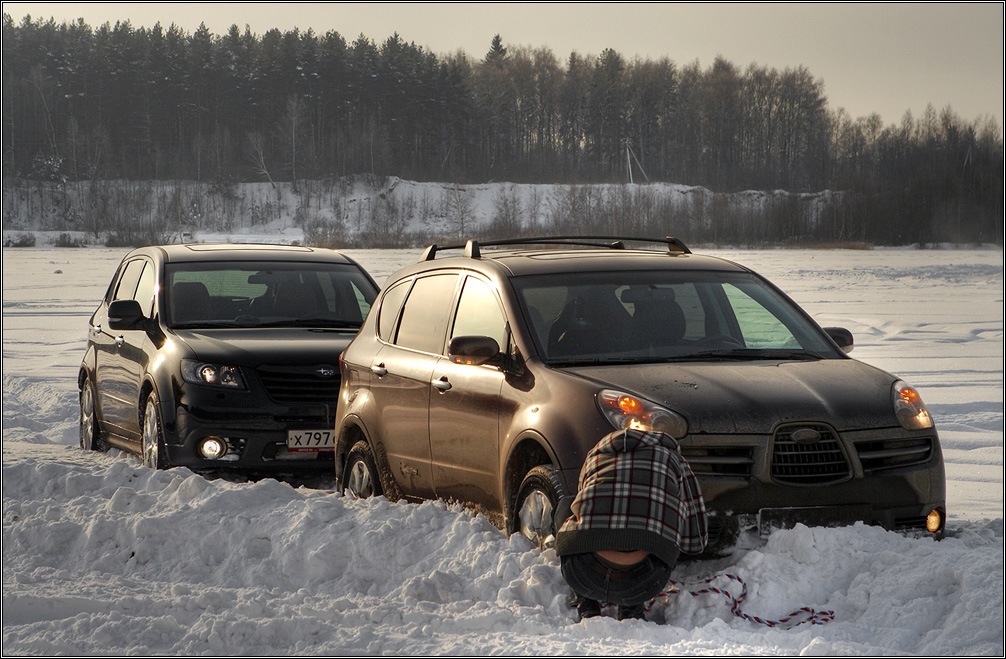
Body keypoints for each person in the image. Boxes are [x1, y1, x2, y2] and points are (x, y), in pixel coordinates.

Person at [553, 427, 708, 621]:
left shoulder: (596, 455)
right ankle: (631, 607)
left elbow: (584, 509)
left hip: (582, 575)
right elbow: (695, 542)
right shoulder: (673, 460)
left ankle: (585, 601)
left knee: (568, 504)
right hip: (644, 583)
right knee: (641, 535)